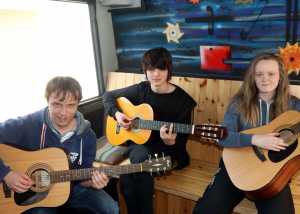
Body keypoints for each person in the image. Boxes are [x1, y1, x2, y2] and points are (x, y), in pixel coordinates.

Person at [193, 53, 300, 214]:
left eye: (271, 74)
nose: (265, 79)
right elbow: (223, 137)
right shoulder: (238, 103)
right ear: (253, 78)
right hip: (236, 167)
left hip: (274, 176)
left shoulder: (294, 105)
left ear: (280, 77)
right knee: (206, 210)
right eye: (259, 74)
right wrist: (255, 139)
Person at [0, 76, 119, 214]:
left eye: (70, 105)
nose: (63, 113)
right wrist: (7, 174)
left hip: (74, 188)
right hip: (33, 194)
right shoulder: (28, 124)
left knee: (111, 209)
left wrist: (92, 182)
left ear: (77, 104)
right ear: (48, 101)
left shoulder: (88, 136)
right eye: (57, 104)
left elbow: (83, 177)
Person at [103, 47, 196, 214]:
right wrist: (117, 115)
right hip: (140, 146)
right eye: (151, 69)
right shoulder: (142, 89)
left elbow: (181, 143)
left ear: (169, 70)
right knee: (131, 174)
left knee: (136, 170)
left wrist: (170, 141)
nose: (156, 74)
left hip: (170, 154)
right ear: (145, 71)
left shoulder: (183, 101)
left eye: (161, 68)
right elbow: (108, 96)